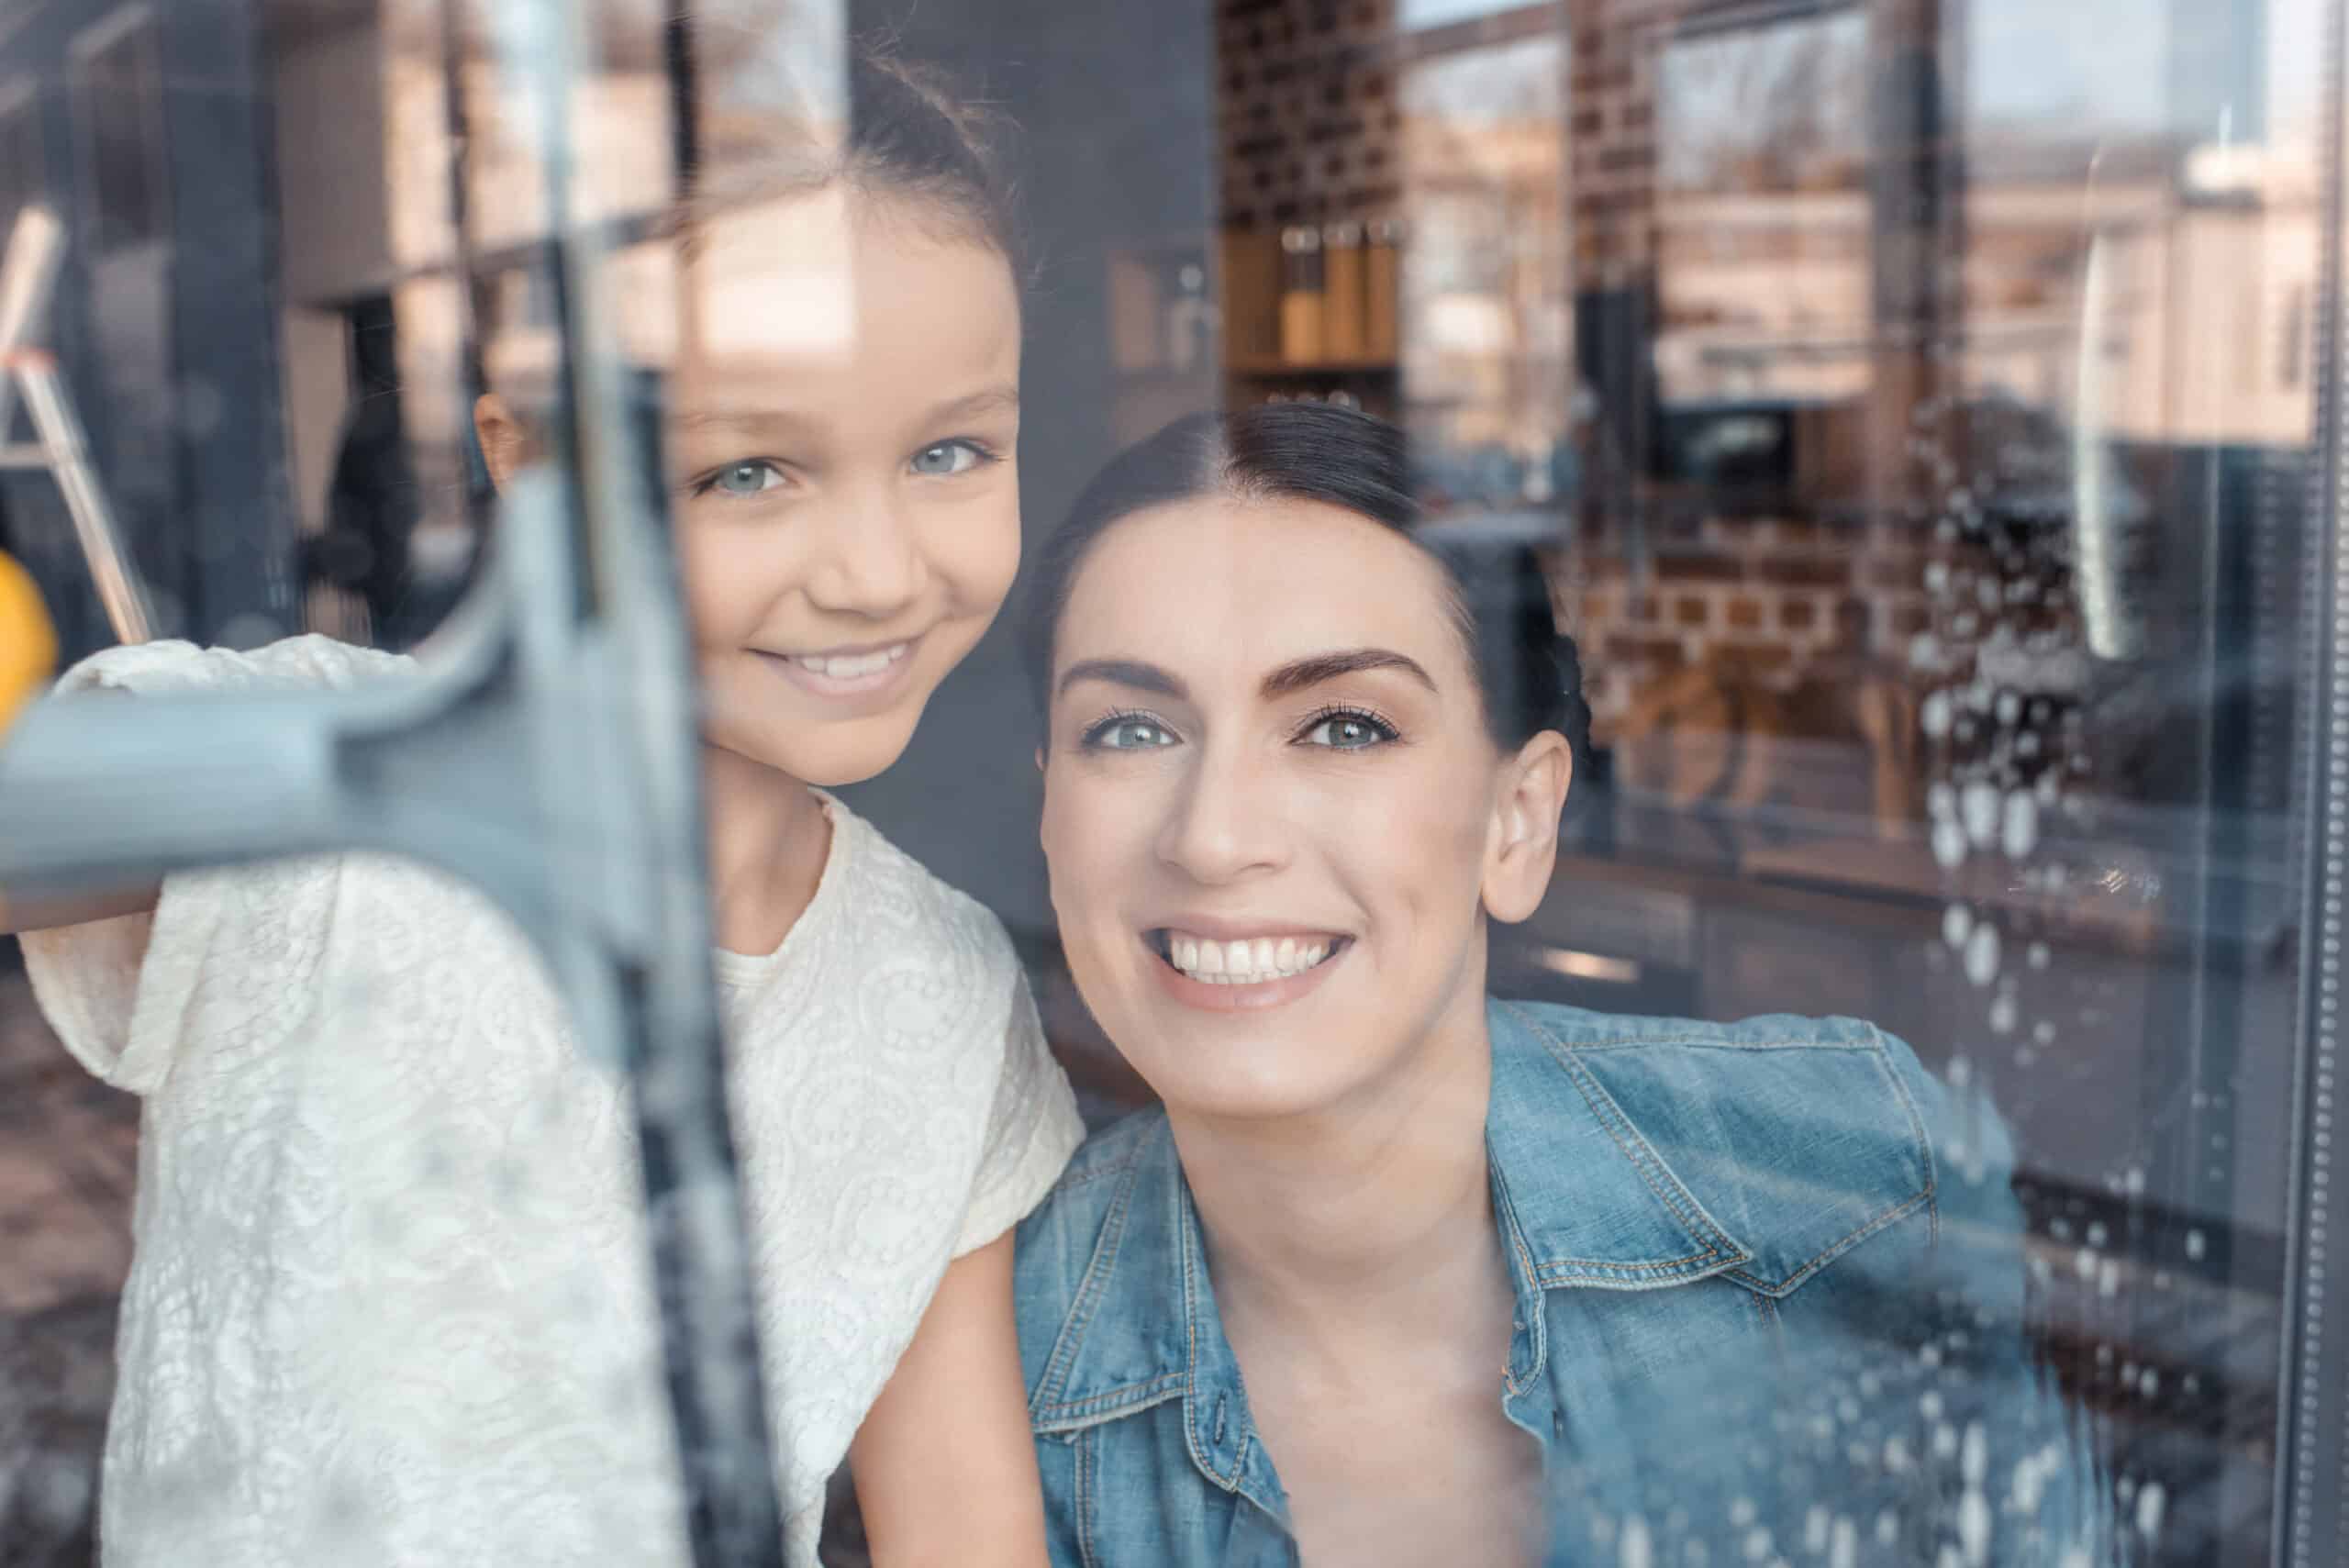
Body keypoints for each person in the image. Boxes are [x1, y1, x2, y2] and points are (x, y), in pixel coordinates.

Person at [4, 49, 1080, 1568]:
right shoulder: (305, 768)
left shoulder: (953, 993)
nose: (879, 568)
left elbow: (965, 1525)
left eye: (951, 450)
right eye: (752, 469)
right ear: (531, 466)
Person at [1012, 404, 2107, 1566]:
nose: (1215, 836)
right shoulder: (959, 1365)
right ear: (1047, 808)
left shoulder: (1854, 1173)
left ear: (1517, 817)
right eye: (1129, 730)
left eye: (1341, 726)